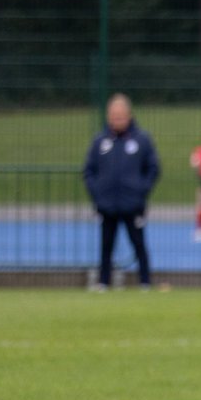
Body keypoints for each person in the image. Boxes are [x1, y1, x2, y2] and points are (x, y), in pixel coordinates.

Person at [83, 93, 161, 291]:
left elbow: (153, 168)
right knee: (106, 245)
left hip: (132, 204)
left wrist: (141, 190)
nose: (117, 119)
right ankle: (103, 282)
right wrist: (97, 194)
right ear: (109, 116)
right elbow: (89, 171)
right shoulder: (100, 141)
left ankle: (145, 282)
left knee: (139, 244)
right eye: (113, 115)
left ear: (129, 115)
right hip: (107, 204)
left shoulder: (141, 140)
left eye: (120, 115)